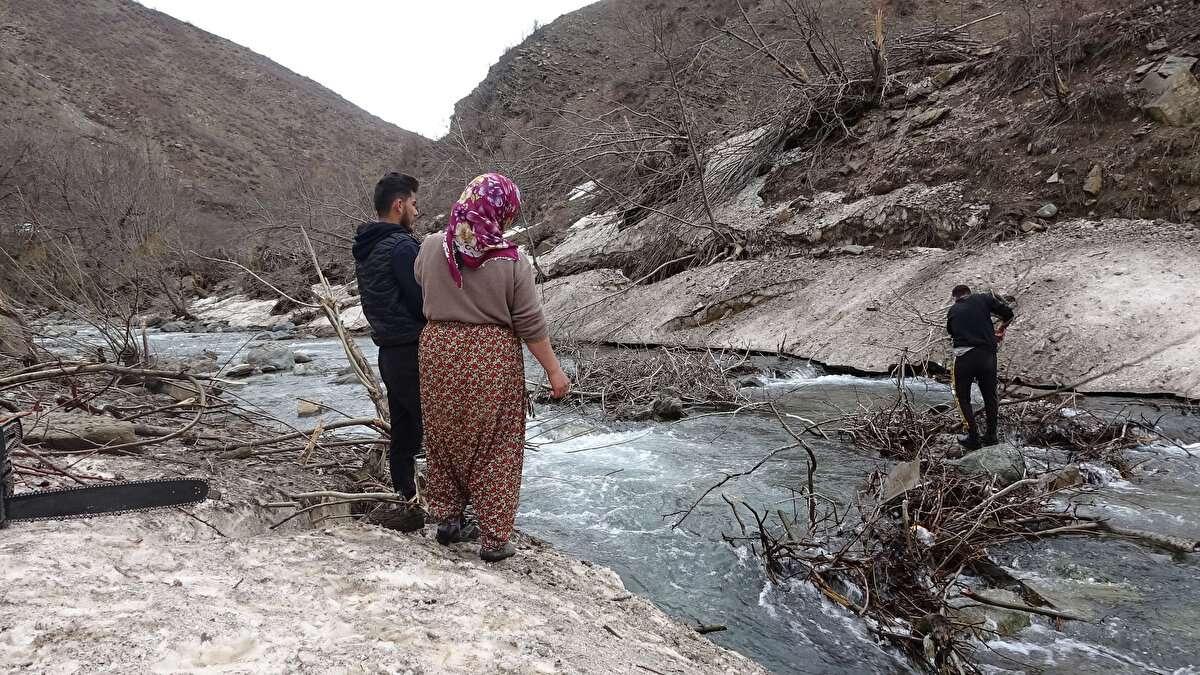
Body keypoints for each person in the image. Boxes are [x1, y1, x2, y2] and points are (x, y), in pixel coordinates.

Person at [414, 173, 569, 562]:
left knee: (443, 434)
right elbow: (530, 324)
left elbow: (422, 283)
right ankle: (495, 540)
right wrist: (554, 371)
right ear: (502, 211)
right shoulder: (512, 260)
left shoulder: (432, 246)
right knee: (495, 444)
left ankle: (448, 520)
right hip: (489, 355)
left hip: (437, 351)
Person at [352, 172, 425, 500]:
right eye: (413, 203)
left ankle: (405, 499)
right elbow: (423, 302)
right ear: (399, 204)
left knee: (404, 434)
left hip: (389, 353)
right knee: (437, 432)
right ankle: (448, 516)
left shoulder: (367, 247)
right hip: (414, 350)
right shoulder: (401, 246)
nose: (416, 210)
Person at [946, 284, 1014, 450]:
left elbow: (952, 332)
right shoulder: (983, 298)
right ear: (969, 293)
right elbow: (1009, 314)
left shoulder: (953, 311)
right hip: (988, 355)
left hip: (965, 357)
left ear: (955, 297)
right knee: (990, 395)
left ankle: (973, 437)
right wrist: (1001, 329)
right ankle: (991, 434)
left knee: (962, 396)